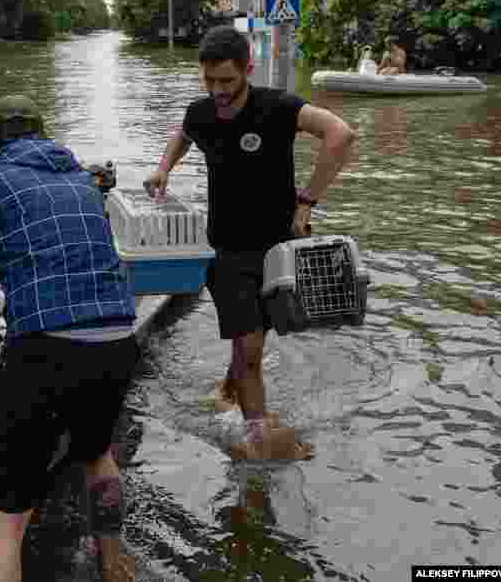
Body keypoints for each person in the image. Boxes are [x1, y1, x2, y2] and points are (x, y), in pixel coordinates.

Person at [0, 95, 139, 582]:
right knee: (98, 454)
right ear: (44, 135)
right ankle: (113, 564)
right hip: (116, 341)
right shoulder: (83, 183)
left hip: (45, 351)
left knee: (5, 519)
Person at [143, 25, 357, 462]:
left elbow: (341, 134)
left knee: (253, 340)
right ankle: (257, 439)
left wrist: (307, 202)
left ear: (248, 70)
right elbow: (184, 133)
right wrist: (163, 167)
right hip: (228, 251)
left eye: (227, 80)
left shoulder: (277, 107)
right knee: (252, 348)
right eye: (210, 81)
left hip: (280, 251)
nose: (218, 91)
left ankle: (226, 389)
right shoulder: (201, 112)